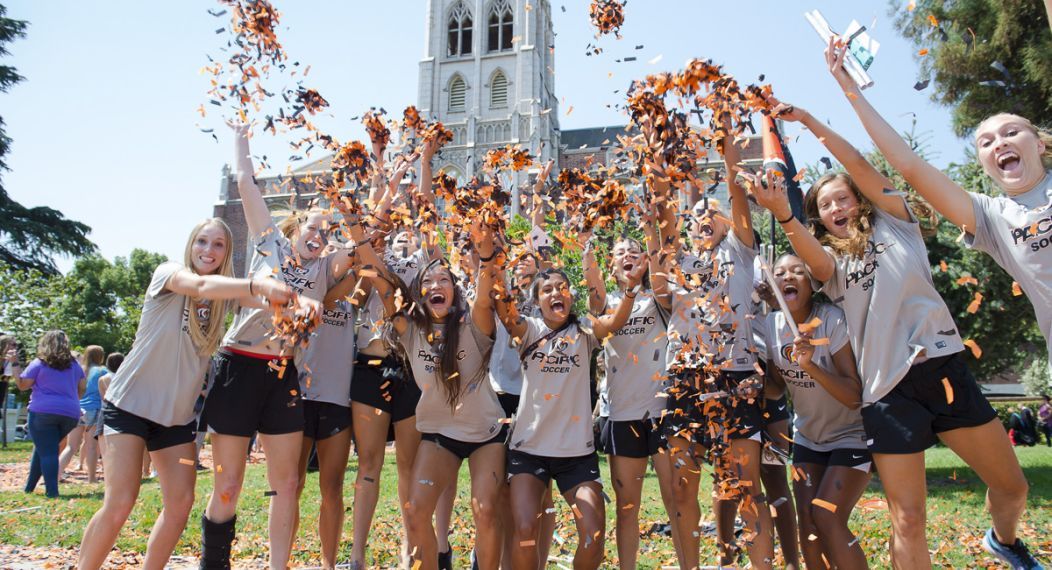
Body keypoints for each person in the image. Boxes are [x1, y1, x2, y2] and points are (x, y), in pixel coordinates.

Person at [749, 39, 1038, 566]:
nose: (836, 205)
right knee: (908, 516)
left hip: (944, 369)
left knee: (1013, 487)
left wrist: (812, 121)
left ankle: (1006, 540)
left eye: (843, 197)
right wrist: (785, 213)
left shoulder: (899, 225)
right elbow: (800, 240)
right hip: (887, 392)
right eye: (825, 203)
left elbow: (859, 162)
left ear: (859, 201)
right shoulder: (831, 269)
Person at [77, 218, 294, 570]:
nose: (208, 250)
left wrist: (305, 303)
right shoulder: (170, 275)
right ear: (191, 245)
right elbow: (202, 285)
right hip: (129, 407)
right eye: (202, 242)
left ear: (227, 252)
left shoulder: (226, 297)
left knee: (179, 505)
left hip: (175, 420)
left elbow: (270, 303)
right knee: (120, 503)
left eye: (218, 244)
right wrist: (258, 284)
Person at [198, 122, 336, 570]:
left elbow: (366, 238)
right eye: (314, 227)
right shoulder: (269, 244)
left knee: (288, 480)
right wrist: (240, 136)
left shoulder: (322, 271)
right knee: (228, 483)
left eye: (327, 233)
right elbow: (244, 183)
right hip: (238, 366)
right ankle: (213, 562)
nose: (319, 236)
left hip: (284, 376)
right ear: (295, 227)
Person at [650, 130, 774, 570]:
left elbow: (737, 191)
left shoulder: (740, 252)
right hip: (684, 378)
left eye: (712, 211)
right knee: (684, 489)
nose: (703, 216)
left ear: (728, 222)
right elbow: (663, 215)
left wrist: (728, 149)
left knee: (744, 487)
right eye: (696, 213)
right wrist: (658, 152)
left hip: (734, 377)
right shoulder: (679, 261)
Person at [497, 264, 645, 570]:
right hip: (529, 452)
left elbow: (614, 322)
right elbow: (506, 315)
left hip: (577, 456)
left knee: (593, 534)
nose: (555, 293)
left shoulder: (584, 333)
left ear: (570, 295)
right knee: (525, 532)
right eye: (547, 289)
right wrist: (492, 266)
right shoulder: (530, 330)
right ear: (537, 301)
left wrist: (630, 290)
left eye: (562, 287)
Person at [381, 224, 504, 570]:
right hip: (440, 433)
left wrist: (484, 254)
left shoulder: (474, 323)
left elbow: (484, 294)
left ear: (453, 290)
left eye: (444, 280)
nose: (436, 286)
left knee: (486, 511)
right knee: (417, 511)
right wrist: (364, 235)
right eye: (428, 282)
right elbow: (382, 287)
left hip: (486, 434)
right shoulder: (411, 330)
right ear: (419, 293)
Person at [754, 253, 871, 569]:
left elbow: (854, 396)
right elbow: (777, 386)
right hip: (807, 437)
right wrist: (751, 384)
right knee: (806, 522)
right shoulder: (771, 326)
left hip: (852, 436)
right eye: (780, 273)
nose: (788, 277)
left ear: (812, 282)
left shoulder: (831, 320)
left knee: (826, 513)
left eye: (797, 271)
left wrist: (812, 366)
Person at [580, 228, 682, 570]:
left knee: (676, 500)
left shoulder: (659, 299)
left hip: (662, 413)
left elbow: (661, 273)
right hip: (621, 414)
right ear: (611, 267)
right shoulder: (604, 302)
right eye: (619, 252)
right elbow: (592, 289)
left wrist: (653, 235)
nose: (626, 255)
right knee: (627, 507)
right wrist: (587, 243)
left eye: (633, 252)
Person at [290, 245, 359, 570]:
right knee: (293, 483)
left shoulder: (355, 293)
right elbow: (326, 300)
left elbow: (365, 274)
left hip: (336, 399)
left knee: (332, 488)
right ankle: (282, 558)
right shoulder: (309, 287)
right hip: (300, 396)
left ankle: (328, 564)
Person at [17, 330, 85, 498]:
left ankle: (52, 492)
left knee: (48, 452)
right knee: (43, 448)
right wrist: (71, 399)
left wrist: (14, 364)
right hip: (70, 413)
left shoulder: (39, 363)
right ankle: (29, 488)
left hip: (43, 412)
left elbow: (22, 385)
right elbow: (83, 386)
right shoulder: (74, 365)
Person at [59, 345, 105, 483]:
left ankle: (56, 474)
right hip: (94, 409)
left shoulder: (78, 369)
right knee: (92, 447)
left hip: (77, 409)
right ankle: (91, 478)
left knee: (71, 446)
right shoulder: (102, 371)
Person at [1, 335, 22, 448]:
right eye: (13, 344)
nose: (15, 348)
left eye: (16, 345)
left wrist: (13, 362)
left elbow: (15, 376)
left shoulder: (9, 360)